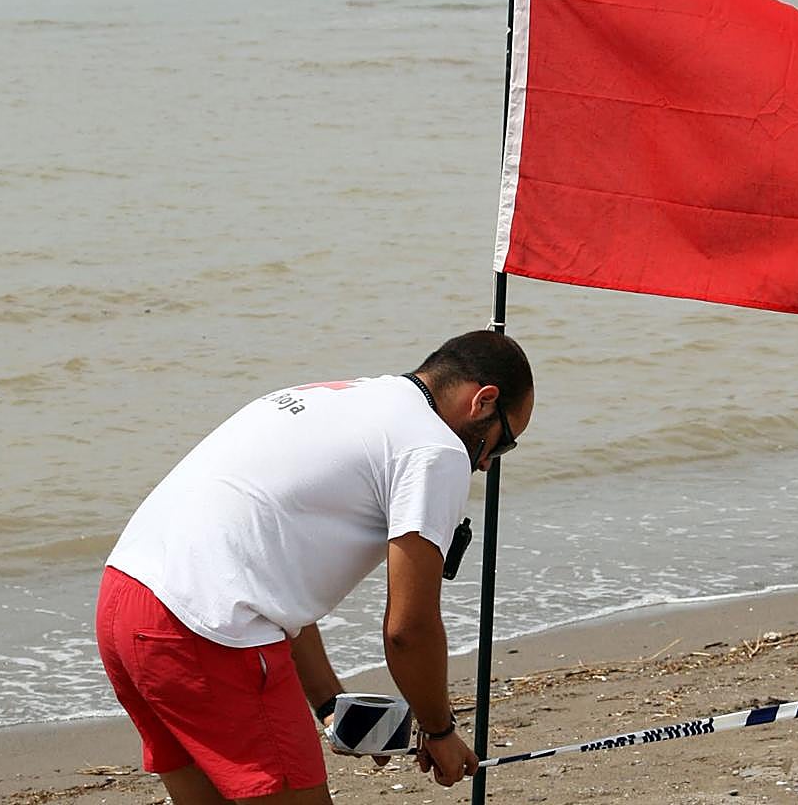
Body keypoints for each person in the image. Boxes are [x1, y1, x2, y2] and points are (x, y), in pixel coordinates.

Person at [95, 330, 534, 805]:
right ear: (483, 401)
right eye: (502, 443)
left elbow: (262, 571)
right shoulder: (435, 448)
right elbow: (409, 629)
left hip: (126, 603)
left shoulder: (343, 396)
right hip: (206, 630)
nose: (488, 464)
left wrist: (329, 705)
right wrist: (440, 730)